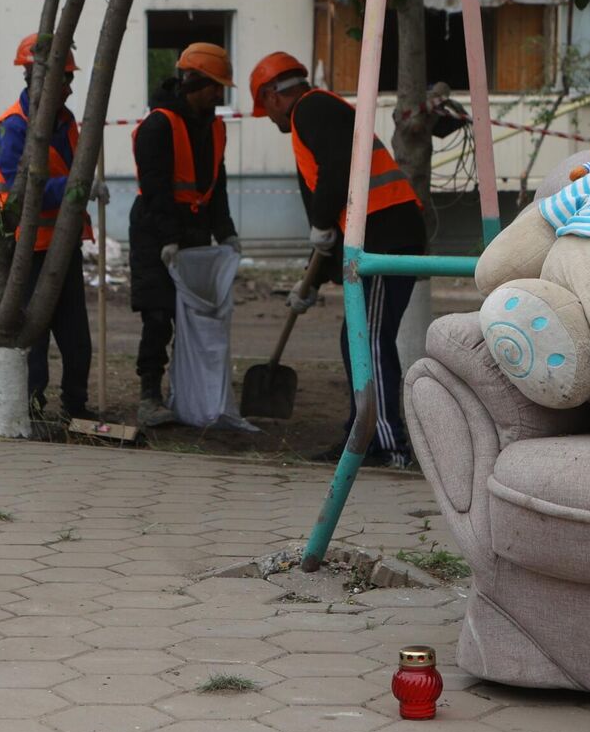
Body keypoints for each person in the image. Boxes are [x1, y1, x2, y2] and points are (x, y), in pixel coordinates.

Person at [249, 51, 426, 467]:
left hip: (387, 238)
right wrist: (310, 283)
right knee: (356, 339)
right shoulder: (317, 113)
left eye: (265, 109)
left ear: (274, 96)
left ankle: (387, 445)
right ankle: (360, 437)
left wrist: (320, 218)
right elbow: (334, 215)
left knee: (369, 337)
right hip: (374, 234)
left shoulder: (312, 108)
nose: (269, 119)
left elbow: (335, 173)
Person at [130, 43, 240, 427]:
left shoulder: (213, 126)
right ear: (194, 82)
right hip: (156, 231)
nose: (219, 94)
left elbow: (217, 184)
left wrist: (226, 232)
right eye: (214, 86)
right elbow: (155, 186)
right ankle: (149, 395)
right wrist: (168, 239)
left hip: (194, 231)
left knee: (194, 316)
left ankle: (188, 394)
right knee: (158, 314)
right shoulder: (158, 125)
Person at [0, 33, 94, 422]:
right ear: (37, 80)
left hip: (64, 246)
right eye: (63, 80)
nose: (69, 88)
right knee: (34, 335)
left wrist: (83, 189)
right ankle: (32, 408)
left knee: (76, 337)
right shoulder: (12, 128)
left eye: (70, 79)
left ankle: (76, 406)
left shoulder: (65, 122)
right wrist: (75, 188)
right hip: (28, 249)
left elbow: (73, 174)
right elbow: (21, 193)